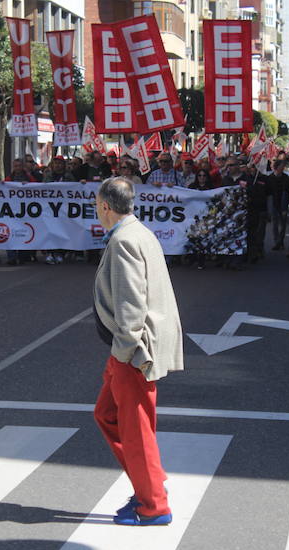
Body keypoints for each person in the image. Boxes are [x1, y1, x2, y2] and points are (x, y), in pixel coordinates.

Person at [92, 176, 183, 526]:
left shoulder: (124, 241)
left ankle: (153, 505)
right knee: (107, 415)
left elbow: (131, 304)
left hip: (134, 351)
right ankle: (149, 483)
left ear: (105, 206)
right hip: (131, 348)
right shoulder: (139, 232)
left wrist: (123, 351)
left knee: (136, 428)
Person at [265, 159, 289, 251]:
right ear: (277, 167)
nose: (283, 168)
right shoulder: (270, 178)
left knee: (283, 224)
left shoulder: (286, 178)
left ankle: (281, 240)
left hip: (283, 203)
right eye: (281, 166)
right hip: (274, 203)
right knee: (275, 224)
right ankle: (277, 242)